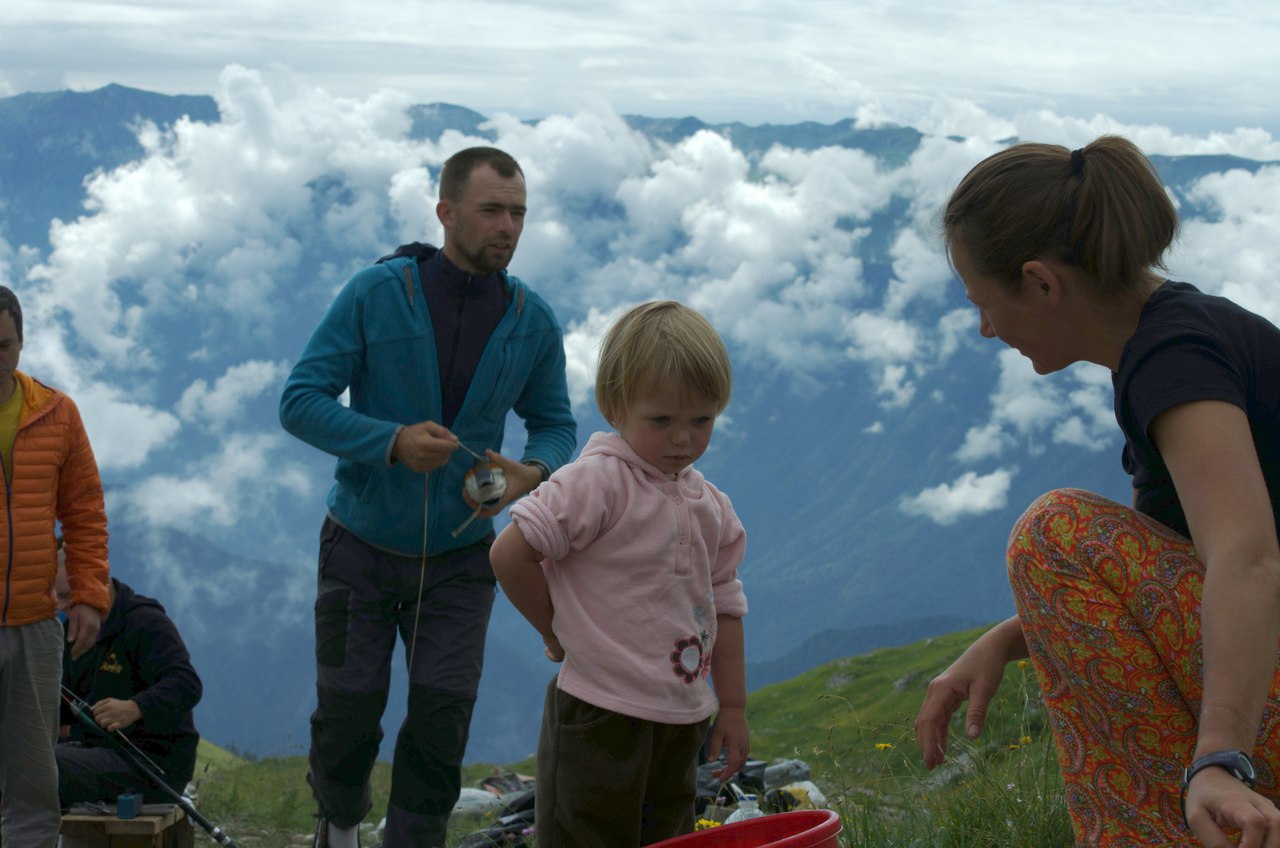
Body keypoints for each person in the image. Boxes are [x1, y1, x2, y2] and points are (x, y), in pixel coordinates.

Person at [913, 136, 1280, 847]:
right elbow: (1177, 569)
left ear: (1042, 283)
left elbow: (1247, 559)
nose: (987, 329)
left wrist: (1221, 759)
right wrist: (1008, 639)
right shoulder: (1178, 339)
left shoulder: (1172, 360)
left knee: (1056, 533)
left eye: (986, 304)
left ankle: (1161, 828)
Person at [279, 146, 577, 848]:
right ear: (446, 213)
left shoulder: (532, 320)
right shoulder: (375, 293)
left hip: (461, 556)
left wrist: (531, 473)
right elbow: (300, 402)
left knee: (443, 720)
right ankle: (341, 822)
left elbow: (556, 425)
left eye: (519, 213)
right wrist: (390, 442)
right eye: (492, 211)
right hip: (357, 546)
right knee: (348, 713)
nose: (508, 226)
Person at [490, 300, 749, 847]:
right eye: (662, 420)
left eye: (701, 420)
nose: (683, 438)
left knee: (670, 837)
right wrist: (555, 630)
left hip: (683, 718)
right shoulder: (596, 483)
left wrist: (733, 706)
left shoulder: (713, 507)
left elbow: (725, 602)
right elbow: (510, 553)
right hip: (597, 711)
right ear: (615, 406)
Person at [0, 285, 110, 848]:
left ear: (20, 344)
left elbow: (86, 511)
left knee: (33, 785)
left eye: (3, 344)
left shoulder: (57, 413)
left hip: (36, 624)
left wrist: (89, 594)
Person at [55, 539, 202, 806]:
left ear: (97, 580)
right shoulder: (72, 629)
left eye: (66, 594)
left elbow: (186, 684)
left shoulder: (144, 622)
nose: (61, 606)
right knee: (22, 759)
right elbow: (63, 704)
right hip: (92, 753)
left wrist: (135, 707)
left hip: (152, 765)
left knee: (41, 766)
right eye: (56, 596)